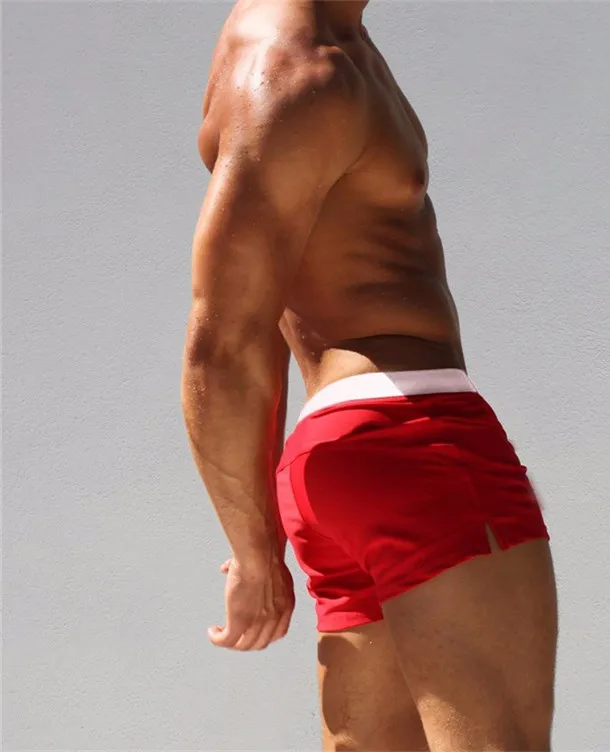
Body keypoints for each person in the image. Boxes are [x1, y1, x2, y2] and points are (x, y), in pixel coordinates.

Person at [181, 0, 558, 749]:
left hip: (342, 457)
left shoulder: (318, 44)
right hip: (418, 443)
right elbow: (222, 339)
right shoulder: (298, 69)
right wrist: (252, 551)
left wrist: (266, 532)